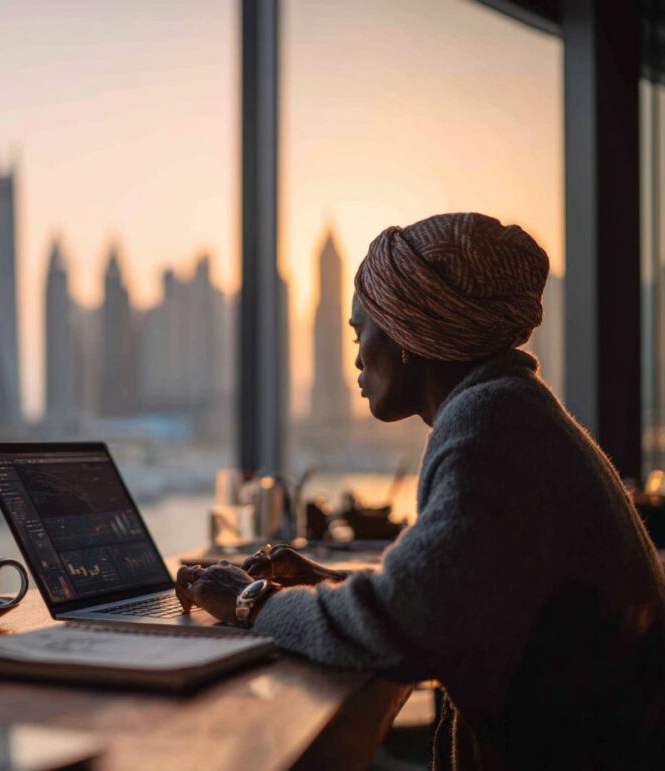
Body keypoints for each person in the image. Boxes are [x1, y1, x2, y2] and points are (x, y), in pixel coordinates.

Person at [176, 212, 665, 770]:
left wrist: (250, 601)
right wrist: (330, 584)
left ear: (408, 335)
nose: (357, 358)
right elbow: (459, 599)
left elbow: (405, 629)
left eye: (362, 333)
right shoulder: (509, 407)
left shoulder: (490, 425)